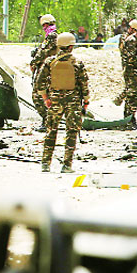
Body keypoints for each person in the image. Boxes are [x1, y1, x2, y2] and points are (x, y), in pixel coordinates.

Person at [36, 32, 89, 173]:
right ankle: (67, 165)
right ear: (71, 46)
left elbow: (39, 83)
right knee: (71, 133)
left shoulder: (49, 62)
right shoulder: (77, 63)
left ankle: (45, 163)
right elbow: (84, 85)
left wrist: (45, 98)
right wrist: (86, 102)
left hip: (54, 101)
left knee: (51, 131)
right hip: (73, 102)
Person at [30, 14, 58, 132]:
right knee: (42, 95)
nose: (43, 28)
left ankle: (47, 121)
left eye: (44, 25)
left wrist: (34, 61)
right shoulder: (50, 36)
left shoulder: (52, 36)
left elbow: (44, 53)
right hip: (45, 69)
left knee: (38, 95)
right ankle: (47, 121)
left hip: (46, 70)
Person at [114, 19, 137, 106]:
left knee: (130, 86)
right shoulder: (126, 38)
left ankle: (121, 99)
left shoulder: (132, 38)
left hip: (130, 65)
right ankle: (120, 98)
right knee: (131, 86)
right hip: (129, 65)